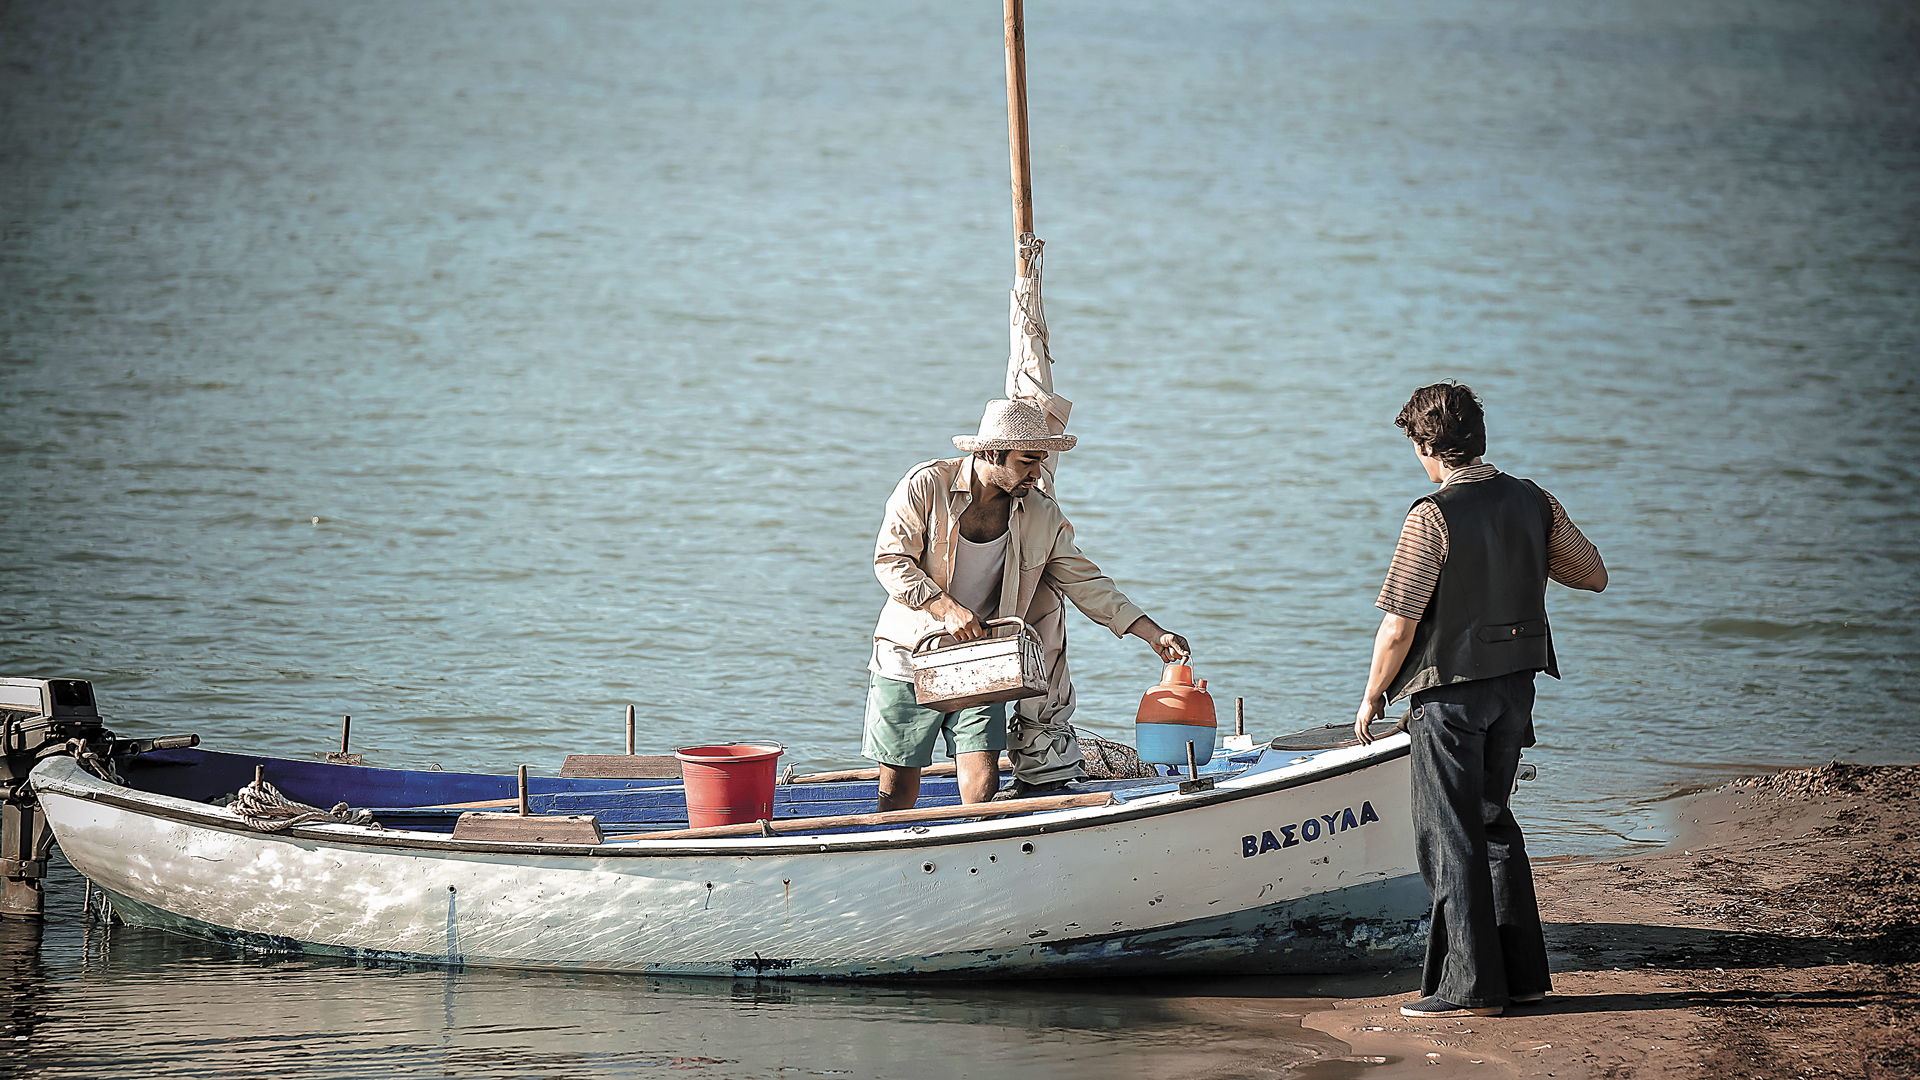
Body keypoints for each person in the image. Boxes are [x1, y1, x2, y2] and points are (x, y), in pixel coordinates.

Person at [1354, 381, 1608, 1019]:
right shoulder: (1534, 499)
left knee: (1449, 834)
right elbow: (1593, 574)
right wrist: (1515, 550)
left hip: (1450, 695)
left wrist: (1371, 697)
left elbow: (1399, 625)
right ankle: (1521, 979)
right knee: (1494, 824)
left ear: (1424, 445)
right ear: (1480, 437)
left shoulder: (1431, 515)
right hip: (1515, 688)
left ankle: (1467, 990)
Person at [867, 398, 1190, 810]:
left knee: (983, 775)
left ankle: (977, 855)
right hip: (909, 654)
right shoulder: (926, 485)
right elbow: (890, 561)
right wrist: (945, 607)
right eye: (1026, 462)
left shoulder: (1042, 513)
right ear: (988, 453)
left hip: (983, 658)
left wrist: (1151, 632)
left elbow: (1086, 581)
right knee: (897, 785)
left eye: (1041, 461)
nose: (1037, 474)